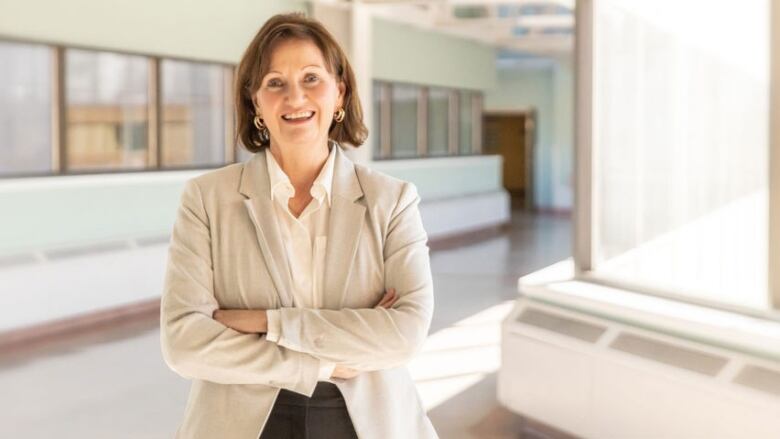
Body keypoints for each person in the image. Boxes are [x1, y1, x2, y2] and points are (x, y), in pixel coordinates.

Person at [159, 12, 438, 439]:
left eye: (311, 78)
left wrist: (268, 322)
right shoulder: (206, 199)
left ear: (339, 92)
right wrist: (318, 364)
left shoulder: (393, 200)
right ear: (255, 102)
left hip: (366, 420)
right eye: (275, 83)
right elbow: (184, 343)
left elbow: (405, 335)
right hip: (241, 421)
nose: (295, 97)